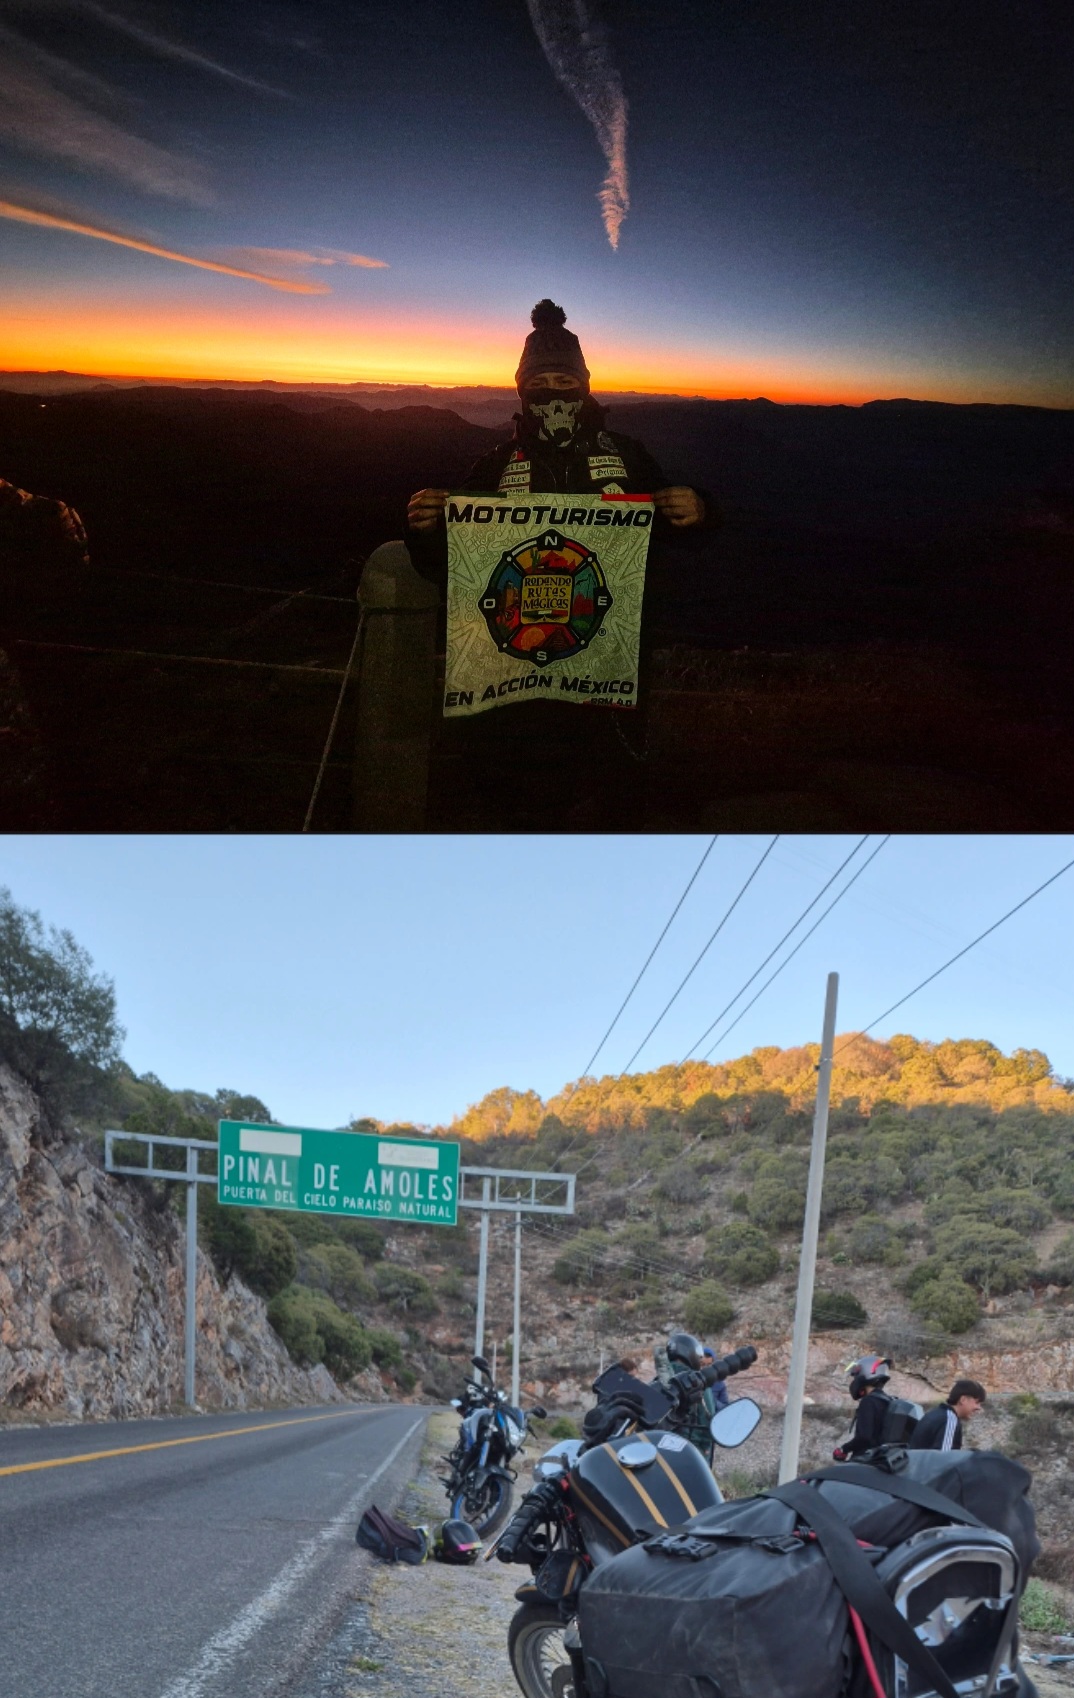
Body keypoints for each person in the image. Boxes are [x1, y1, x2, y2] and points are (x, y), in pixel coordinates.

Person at [404, 300, 720, 828]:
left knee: (612, 791)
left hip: (608, 663)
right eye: (541, 379)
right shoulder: (495, 465)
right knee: (519, 794)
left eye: (565, 378)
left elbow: (671, 531)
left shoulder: (629, 455)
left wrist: (699, 508)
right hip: (516, 675)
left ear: (586, 385)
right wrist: (427, 527)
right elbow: (450, 566)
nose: (554, 390)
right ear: (522, 389)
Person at [656, 1331, 717, 1460]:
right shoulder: (697, 1383)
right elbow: (708, 1421)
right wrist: (705, 1449)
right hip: (689, 1452)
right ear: (691, 1354)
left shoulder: (656, 1381)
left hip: (659, 1453)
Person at [833, 1354, 893, 1460]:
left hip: (866, 1460)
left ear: (866, 1374)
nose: (855, 1380)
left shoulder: (869, 1401)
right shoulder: (888, 1401)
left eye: (856, 1376)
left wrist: (844, 1449)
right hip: (880, 1460)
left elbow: (864, 1437)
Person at [908, 1379, 986, 1451]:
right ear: (963, 1400)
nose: (978, 1408)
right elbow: (944, 1460)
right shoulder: (950, 1420)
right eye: (977, 1402)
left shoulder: (937, 1414)